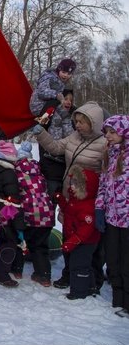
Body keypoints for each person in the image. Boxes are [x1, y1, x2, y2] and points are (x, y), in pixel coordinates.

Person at [33, 101, 106, 290]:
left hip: (89, 199)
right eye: (77, 121)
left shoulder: (104, 144)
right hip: (69, 194)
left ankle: (92, 278)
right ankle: (69, 274)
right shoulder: (74, 137)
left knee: (88, 238)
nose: (78, 125)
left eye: (82, 122)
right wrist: (41, 133)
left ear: (94, 123)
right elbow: (56, 148)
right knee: (68, 235)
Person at [94, 115, 129, 317]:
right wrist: (100, 208)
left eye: (113, 132)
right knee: (113, 258)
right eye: (106, 132)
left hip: (127, 219)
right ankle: (118, 297)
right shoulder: (109, 154)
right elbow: (103, 186)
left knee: (126, 260)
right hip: (111, 217)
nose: (108, 136)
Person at [0, 140, 24, 288]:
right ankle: (1, 273)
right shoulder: (8, 174)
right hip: (5, 215)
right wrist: (19, 224)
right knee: (8, 244)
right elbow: (13, 200)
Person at [15, 142, 55, 287]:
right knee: (40, 245)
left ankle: (17, 269)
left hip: (29, 212)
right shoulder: (40, 174)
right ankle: (43, 275)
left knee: (21, 241)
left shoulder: (17, 173)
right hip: (46, 212)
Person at [58, 166, 101, 300]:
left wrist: (70, 243)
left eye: (76, 185)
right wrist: (60, 200)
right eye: (72, 183)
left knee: (79, 266)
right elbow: (69, 212)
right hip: (75, 239)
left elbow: (85, 231)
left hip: (84, 242)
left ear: (86, 188)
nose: (72, 187)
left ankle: (78, 292)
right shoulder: (75, 200)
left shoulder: (88, 207)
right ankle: (91, 287)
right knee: (83, 265)